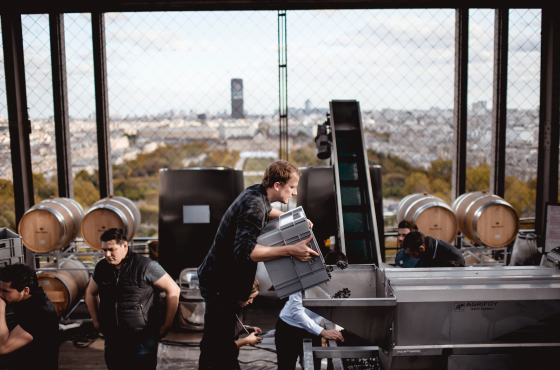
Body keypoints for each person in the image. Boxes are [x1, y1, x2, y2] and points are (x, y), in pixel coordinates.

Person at [197, 160, 318, 370]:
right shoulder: (254, 204)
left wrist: (290, 218)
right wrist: (292, 250)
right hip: (219, 286)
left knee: (224, 341)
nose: (295, 193)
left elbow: (265, 211)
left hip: (222, 283)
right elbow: (245, 250)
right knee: (217, 348)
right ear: (278, 185)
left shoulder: (256, 194)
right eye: (292, 187)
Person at [85, 228, 180, 370]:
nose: (107, 254)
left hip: (142, 338)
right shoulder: (101, 268)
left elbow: (173, 289)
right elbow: (90, 293)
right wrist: (96, 321)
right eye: (104, 250)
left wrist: (167, 325)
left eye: (111, 249)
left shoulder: (145, 265)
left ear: (125, 245)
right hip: (113, 338)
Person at [275, 251, 346, 370]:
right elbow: (297, 313)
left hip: (312, 329)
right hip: (288, 329)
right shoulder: (303, 277)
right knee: (286, 366)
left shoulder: (339, 282)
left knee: (314, 366)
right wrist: (323, 332)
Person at [0, 264, 59, 370]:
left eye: (5, 291)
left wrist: (0, 308)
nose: (1, 294)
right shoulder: (27, 298)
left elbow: (3, 348)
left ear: (25, 290)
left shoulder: (40, 313)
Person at [230, 279, 263, 370]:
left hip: (231, 359)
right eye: (249, 298)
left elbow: (232, 329)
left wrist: (248, 329)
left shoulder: (238, 307)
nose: (251, 302)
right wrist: (247, 340)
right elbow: (223, 347)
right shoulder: (223, 312)